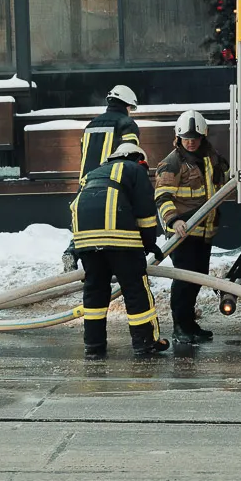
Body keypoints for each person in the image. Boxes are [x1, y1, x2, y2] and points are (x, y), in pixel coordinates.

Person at [69, 141, 169, 358]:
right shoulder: (135, 170)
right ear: (139, 159)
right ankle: (146, 343)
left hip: (86, 241)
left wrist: (74, 249)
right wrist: (149, 243)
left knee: (95, 292)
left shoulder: (92, 174)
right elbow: (145, 212)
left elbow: (79, 210)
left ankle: (94, 347)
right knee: (135, 290)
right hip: (121, 240)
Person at [154, 110, 229, 344]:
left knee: (197, 278)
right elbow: (162, 197)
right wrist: (173, 220)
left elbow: (223, 179)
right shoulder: (172, 163)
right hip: (183, 233)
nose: (191, 142)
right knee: (184, 280)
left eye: (195, 138)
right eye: (187, 138)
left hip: (204, 232)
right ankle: (180, 327)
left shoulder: (211, 157)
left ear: (203, 136)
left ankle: (189, 324)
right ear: (178, 138)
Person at [64, 84, 142, 272]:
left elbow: (84, 154)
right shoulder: (127, 124)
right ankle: (113, 264)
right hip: (112, 182)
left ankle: (72, 252)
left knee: (85, 224)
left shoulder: (90, 125)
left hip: (85, 183)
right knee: (113, 224)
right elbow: (131, 155)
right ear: (127, 105)